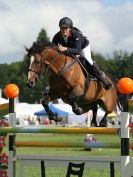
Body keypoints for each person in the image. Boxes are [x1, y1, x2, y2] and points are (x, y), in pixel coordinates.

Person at [52, 17, 112, 90]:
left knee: (88, 59)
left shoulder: (76, 34)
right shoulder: (56, 37)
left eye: (66, 28)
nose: (64, 30)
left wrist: (65, 48)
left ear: (70, 28)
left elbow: (78, 51)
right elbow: (53, 49)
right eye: (62, 28)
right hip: (69, 49)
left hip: (82, 47)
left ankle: (102, 79)